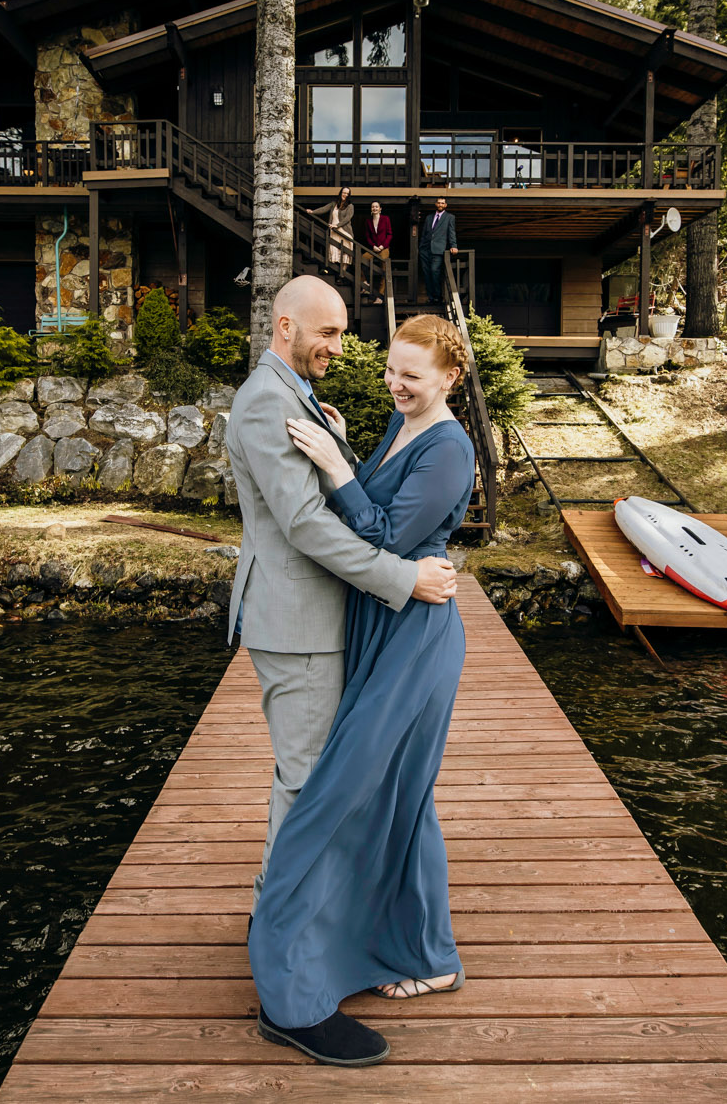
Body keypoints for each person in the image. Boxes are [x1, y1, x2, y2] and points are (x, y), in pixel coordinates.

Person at [224, 278, 459, 1068]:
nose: (338, 346)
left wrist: (338, 451)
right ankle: (289, 982)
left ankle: (285, 931)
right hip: (302, 622)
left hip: (338, 622)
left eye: (343, 333)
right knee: (310, 788)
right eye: (326, 332)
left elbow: (365, 504)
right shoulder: (266, 398)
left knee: (322, 784)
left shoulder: (297, 390)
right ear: (284, 324)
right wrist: (404, 579)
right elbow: (302, 523)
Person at [417, 195, 457, 304]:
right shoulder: (429, 217)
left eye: (442, 203)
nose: (440, 205)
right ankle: (430, 297)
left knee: (435, 272)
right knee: (426, 273)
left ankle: (438, 297)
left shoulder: (450, 217)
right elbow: (424, 233)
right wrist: (420, 247)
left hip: (438, 249)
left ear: (446, 205)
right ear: (436, 204)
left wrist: (454, 245)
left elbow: (451, 233)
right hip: (425, 249)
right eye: (439, 203)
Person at [306, 186, 356, 267]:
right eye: (344, 193)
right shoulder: (334, 204)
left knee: (345, 253)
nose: (345, 195)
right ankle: (336, 273)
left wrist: (337, 225)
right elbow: (323, 209)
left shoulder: (350, 206)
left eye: (347, 193)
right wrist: (313, 212)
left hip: (344, 231)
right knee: (334, 250)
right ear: (340, 193)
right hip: (334, 231)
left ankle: (342, 274)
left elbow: (347, 218)